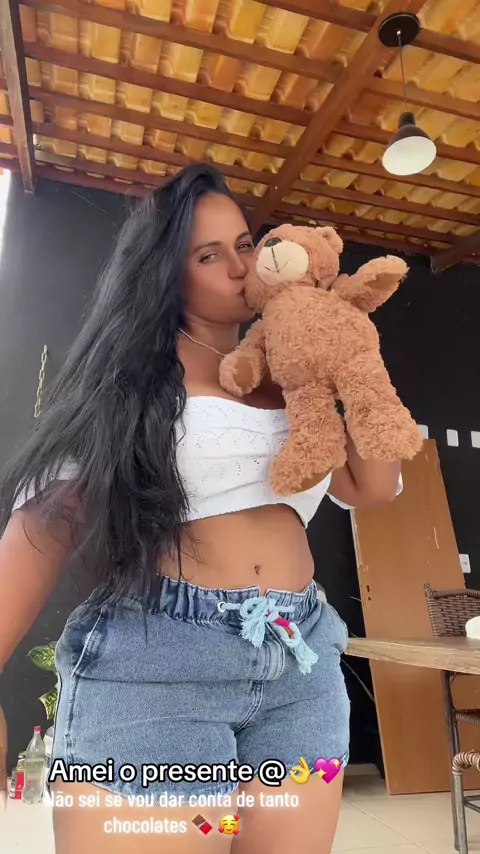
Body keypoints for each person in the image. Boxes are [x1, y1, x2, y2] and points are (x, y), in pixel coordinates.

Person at [0, 163, 401, 853]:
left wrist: (352, 359)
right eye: (208, 255)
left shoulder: (292, 375)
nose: (240, 267)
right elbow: (49, 522)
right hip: (160, 665)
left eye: (245, 244)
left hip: (298, 664)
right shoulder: (131, 380)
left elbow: (375, 487)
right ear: (166, 275)